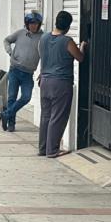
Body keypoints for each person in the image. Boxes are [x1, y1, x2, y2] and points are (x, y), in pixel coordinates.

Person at [37, 11, 85, 158]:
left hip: (44, 81)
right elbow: (80, 57)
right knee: (58, 116)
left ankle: (43, 148)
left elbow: (43, 57)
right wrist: (82, 46)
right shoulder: (67, 41)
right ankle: (52, 150)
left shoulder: (43, 38)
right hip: (61, 83)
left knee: (45, 116)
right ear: (68, 26)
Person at [0, 11, 43, 133]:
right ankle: (11, 123)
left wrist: (43, 71)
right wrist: (9, 52)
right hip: (15, 70)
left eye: (36, 23)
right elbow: (6, 40)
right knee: (12, 97)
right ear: (27, 24)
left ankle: (5, 114)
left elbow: (45, 55)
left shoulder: (42, 37)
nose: (33, 26)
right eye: (31, 23)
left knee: (26, 97)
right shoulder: (20, 33)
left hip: (28, 73)